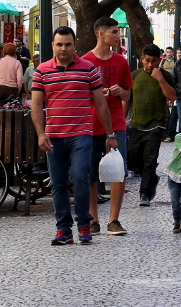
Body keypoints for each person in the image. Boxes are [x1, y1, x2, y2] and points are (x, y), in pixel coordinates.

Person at [31, 26, 118, 246]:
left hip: (81, 134)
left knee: (80, 178)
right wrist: (41, 134)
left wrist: (110, 134)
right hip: (54, 135)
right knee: (58, 184)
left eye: (68, 44)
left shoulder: (88, 69)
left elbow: (100, 103)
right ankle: (63, 229)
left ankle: (83, 224)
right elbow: (36, 105)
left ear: (75, 45)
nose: (64, 48)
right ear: (53, 46)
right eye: (59, 44)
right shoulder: (41, 71)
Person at [81, 16, 133, 235]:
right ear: (101, 34)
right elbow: (80, 96)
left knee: (118, 170)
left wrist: (121, 93)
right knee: (91, 173)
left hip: (116, 122)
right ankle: (93, 218)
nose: (118, 36)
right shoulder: (85, 61)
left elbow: (128, 93)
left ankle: (114, 219)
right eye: (114, 31)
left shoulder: (121, 61)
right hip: (92, 123)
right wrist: (96, 95)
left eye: (118, 31)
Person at [128, 44, 176, 206]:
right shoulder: (134, 75)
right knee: (133, 156)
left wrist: (160, 79)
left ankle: (145, 194)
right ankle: (152, 178)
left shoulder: (165, 76)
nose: (150, 65)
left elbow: (172, 96)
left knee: (149, 159)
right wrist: (122, 120)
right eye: (147, 61)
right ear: (141, 59)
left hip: (157, 123)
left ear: (159, 61)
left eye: (154, 61)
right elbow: (127, 99)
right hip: (137, 123)